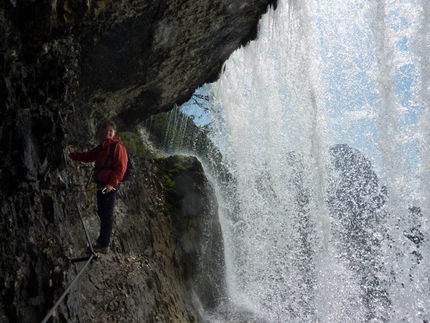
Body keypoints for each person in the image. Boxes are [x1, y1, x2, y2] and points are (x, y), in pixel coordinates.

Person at [69, 120, 128, 254]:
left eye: (111, 131)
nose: (108, 132)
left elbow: (121, 168)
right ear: (103, 132)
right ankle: (101, 242)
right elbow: (89, 156)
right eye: (106, 130)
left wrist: (112, 184)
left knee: (107, 214)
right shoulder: (102, 147)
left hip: (109, 186)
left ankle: (104, 245)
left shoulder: (118, 148)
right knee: (102, 212)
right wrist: (72, 155)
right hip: (102, 184)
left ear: (114, 133)